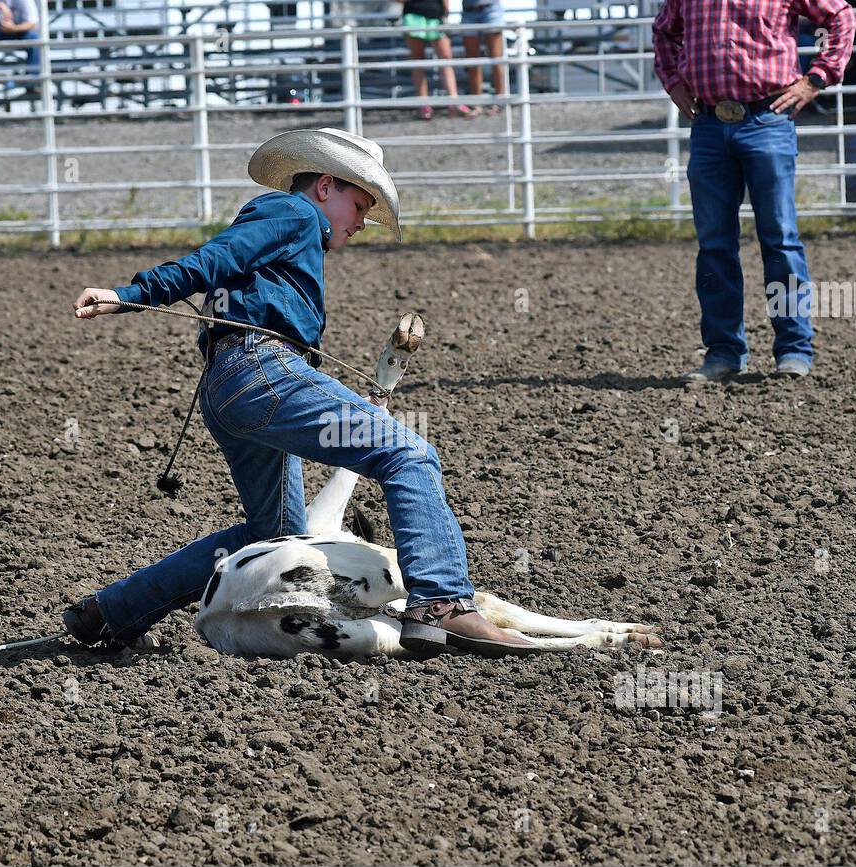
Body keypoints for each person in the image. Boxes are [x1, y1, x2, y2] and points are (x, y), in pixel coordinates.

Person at [65, 128, 536, 657]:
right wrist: (130, 295)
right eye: (359, 206)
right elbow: (214, 259)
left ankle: (111, 611)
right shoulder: (293, 214)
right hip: (261, 372)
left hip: (232, 384)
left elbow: (221, 265)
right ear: (326, 187)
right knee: (408, 454)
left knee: (275, 536)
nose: (360, 224)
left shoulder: (289, 228)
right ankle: (441, 605)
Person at [653, 0, 856, 382]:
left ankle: (793, 348)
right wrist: (673, 82)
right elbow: (664, 31)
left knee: (778, 237)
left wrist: (817, 78)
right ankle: (724, 352)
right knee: (715, 243)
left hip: (766, 117)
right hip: (712, 122)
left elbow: (839, 15)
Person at [399, 0, 480, 120]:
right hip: (413, 15)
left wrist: (446, 13)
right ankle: (423, 104)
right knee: (418, 60)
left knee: (446, 58)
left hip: (436, 16)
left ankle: (453, 101)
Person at [460, 0, 508, 114]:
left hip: (490, 8)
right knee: (472, 61)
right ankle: (476, 102)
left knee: (496, 58)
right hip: (469, 11)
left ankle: (500, 100)